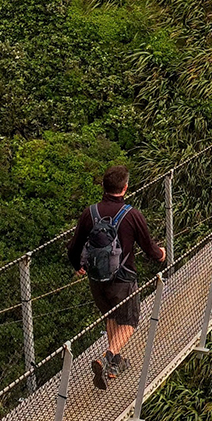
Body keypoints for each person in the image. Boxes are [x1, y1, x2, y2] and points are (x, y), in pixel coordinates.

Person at [67, 165, 165, 390]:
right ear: (126, 188)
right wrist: (161, 255)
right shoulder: (132, 215)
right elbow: (149, 248)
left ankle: (113, 366)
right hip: (123, 279)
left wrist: (78, 265)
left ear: (103, 186)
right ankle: (107, 357)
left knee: (111, 317)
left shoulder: (89, 213)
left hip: (96, 280)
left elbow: (74, 247)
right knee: (130, 322)